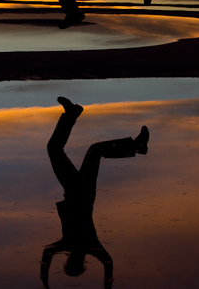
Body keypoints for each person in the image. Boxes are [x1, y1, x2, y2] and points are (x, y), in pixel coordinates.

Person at [41, 97, 149, 288]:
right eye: (74, 263)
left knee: (73, 149)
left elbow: (48, 253)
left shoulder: (69, 244)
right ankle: (136, 146)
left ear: (69, 261)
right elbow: (107, 262)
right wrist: (45, 280)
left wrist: (45, 282)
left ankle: (72, 114)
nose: (72, 260)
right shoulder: (90, 245)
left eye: (70, 263)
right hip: (81, 192)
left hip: (74, 189)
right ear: (77, 263)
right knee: (89, 149)